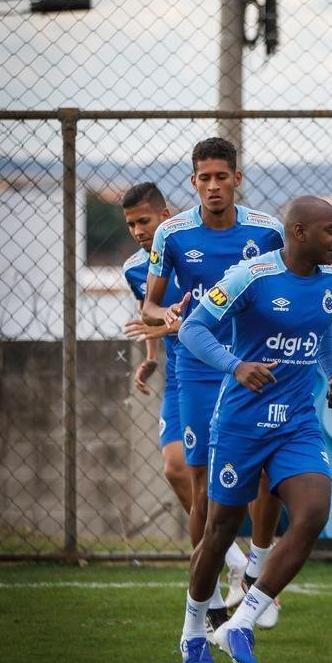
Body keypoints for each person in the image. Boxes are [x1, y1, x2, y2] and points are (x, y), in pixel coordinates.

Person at [176, 195, 332, 663]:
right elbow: (193, 330)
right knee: (218, 532)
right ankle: (194, 627)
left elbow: (323, 331)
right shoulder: (249, 276)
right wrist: (236, 367)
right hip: (240, 425)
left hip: (296, 423)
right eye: (330, 231)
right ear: (299, 233)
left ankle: (243, 622)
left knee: (313, 513)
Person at [142, 137, 287, 630]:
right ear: (193, 182)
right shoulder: (172, 234)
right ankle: (202, 611)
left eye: (221, 176)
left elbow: (284, 287)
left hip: (253, 366)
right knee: (203, 486)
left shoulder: (266, 231)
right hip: (199, 368)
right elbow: (150, 306)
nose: (213, 186)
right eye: (204, 178)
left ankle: (257, 576)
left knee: (264, 473)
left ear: (237, 179)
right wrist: (169, 314)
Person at [122, 182, 192, 514]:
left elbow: (217, 320)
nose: (137, 231)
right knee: (176, 467)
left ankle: (260, 555)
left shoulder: (196, 255)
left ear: (164, 216)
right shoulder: (134, 268)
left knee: (239, 470)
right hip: (180, 377)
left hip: (224, 372)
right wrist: (151, 356)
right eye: (131, 224)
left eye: (144, 222)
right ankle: (231, 559)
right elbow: (148, 310)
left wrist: (170, 327)